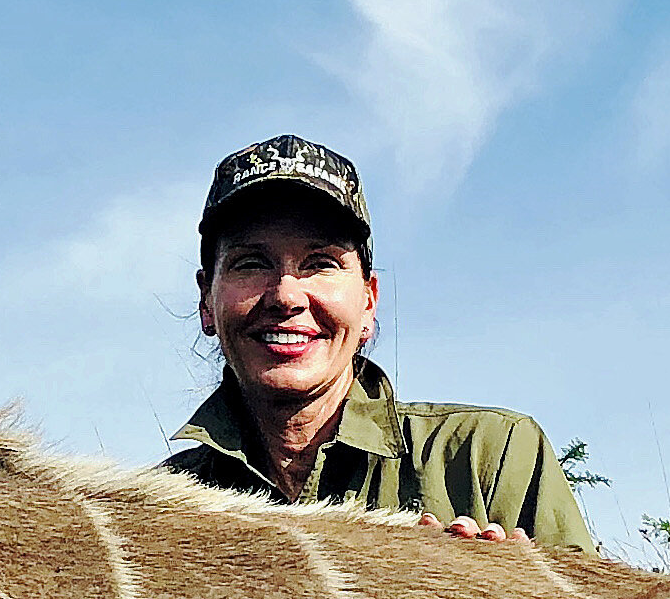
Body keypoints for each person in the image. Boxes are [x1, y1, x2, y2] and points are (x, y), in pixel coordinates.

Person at [158, 134, 597, 549]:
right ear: (206, 302)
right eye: (251, 263)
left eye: (321, 264)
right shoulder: (161, 511)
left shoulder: (490, 457)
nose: (286, 296)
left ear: (368, 302)